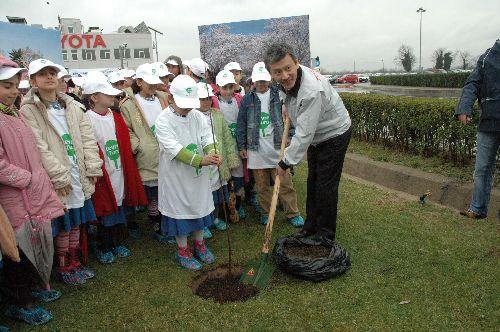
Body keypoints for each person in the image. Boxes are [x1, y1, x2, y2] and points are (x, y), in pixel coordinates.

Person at [20, 59, 103, 285]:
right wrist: (57, 176)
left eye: (52, 73)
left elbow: (88, 138)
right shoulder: (29, 110)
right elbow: (39, 146)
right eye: (42, 74)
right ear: (33, 80)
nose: (49, 77)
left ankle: (75, 261)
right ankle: (64, 266)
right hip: (59, 177)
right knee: (65, 225)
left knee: (76, 222)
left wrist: (92, 166)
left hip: (79, 173)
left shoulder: (73, 106)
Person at [0, 56, 66, 325]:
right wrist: (27, 178)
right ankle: (20, 302)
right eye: (6, 86)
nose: (14, 91)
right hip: (14, 196)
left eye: (15, 85)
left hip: (30, 195)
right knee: (14, 248)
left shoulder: (12, 113)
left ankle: (34, 289)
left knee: (32, 243)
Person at [265, 43, 352, 240]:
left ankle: (325, 234)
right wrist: (287, 105)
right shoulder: (287, 81)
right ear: (271, 73)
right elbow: (288, 94)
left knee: (325, 186)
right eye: (278, 72)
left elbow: (303, 135)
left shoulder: (312, 90)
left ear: (296, 63)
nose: (285, 75)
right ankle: (310, 226)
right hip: (317, 135)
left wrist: (284, 162)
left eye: (288, 68)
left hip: (334, 133)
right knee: (313, 181)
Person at [155, 75, 220, 271]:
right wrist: (200, 160)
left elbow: (207, 136)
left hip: (198, 176)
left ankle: (200, 245)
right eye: (184, 104)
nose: (188, 108)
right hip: (176, 177)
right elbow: (174, 148)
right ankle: (183, 250)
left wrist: (212, 152)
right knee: (180, 213)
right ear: (171, 99)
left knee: (199, 207)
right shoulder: (163, 120)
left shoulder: (197, 116)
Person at [83, 72, 148, 263]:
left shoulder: (115, 116)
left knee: (119, 206)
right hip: (103, 173)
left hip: (119, 169)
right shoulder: (87, 119)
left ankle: (118, 240)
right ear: (94, 97)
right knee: (105, 209)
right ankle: (104, 244)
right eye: (107, 94)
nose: (113, 97)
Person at [237, 62, 304, 227]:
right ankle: (267, 212)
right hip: (256, 150)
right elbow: (241, 124)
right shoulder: (247, 100)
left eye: (264, 80)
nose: (261, 84)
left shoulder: (279, 95)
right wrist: (242, 146)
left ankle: (292, 213)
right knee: (262, 186)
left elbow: (290, 116)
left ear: (270, 79)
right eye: (258, 81)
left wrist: (290, 135)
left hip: (277, 149)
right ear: (253, 81)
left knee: (285, 183)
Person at [119, 63, 170, 243]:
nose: (153, 86)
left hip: (166, 150)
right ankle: (157, 226)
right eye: (149, 82)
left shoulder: (163, 98)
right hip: (146, 154)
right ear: (139, 82)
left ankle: (166, 223)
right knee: (152, 193)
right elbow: (127, 129)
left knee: (166, 190)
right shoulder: (129, 104)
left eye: (155, 82)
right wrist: (138, 145)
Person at [456, 39, 500, 220]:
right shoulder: (487, 57)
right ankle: (477, 208)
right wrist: (464, 108)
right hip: (488, 123)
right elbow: (472, 84)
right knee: (481, 169)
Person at [197, 82, 241, 233]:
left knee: (218, 194)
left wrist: (231, 158)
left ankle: (215, 218)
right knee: (204, 194)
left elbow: (227, 138)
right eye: (202, 99)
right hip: (202, 161)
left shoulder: (217, 114)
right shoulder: (193, 116)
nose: (206, 102)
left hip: (218, 159)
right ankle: (203, 224)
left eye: (208, 98)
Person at [215, 70, 247, 219]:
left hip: (237, 145)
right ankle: (225, 209)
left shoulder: (239, 99)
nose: (228, 91)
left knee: (238, 176)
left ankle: (238, 205)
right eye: (224, 88)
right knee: (224, 177)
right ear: (218, 87)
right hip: (222, 146)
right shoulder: (214, 103)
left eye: (230, 87)